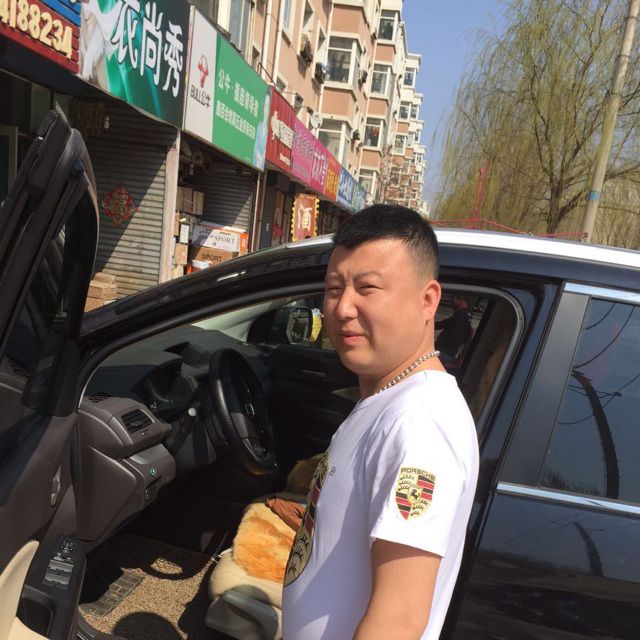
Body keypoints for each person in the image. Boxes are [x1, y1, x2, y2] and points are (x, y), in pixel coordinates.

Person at [282, 205, 479, 640]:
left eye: (367, 288)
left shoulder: (421, 422)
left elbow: (399, 620)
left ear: (427, 301)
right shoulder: (389, 396)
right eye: (334, 288)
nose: (342, 308)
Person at [435, 294, 472, 364]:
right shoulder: (464, 316)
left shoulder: (460, 316)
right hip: (448, 353)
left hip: (443, 352)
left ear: (461, 299)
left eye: (453, 298)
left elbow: (441, 324)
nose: (451, 300)